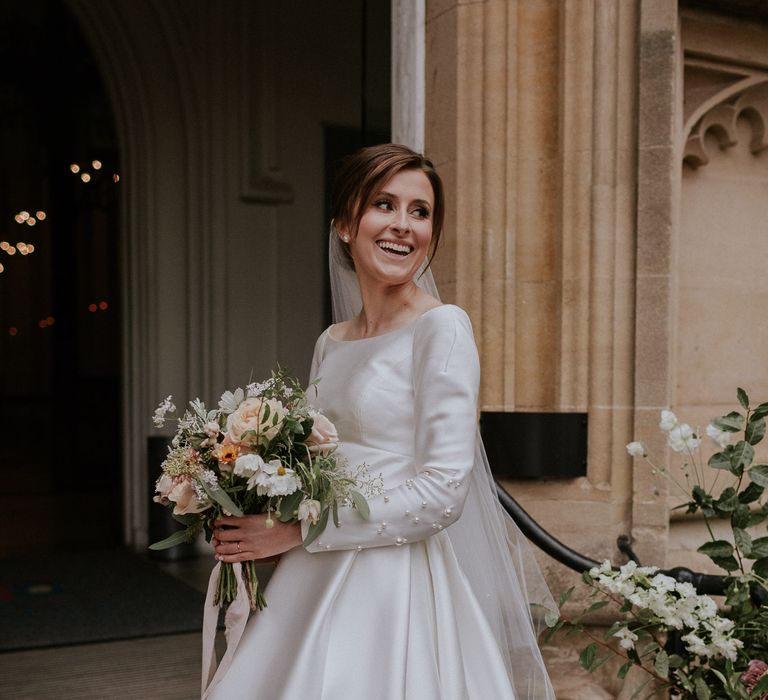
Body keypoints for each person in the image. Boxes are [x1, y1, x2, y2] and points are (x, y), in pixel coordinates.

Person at [203, 144, 556, 699]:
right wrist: (250, 491)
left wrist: (300, 531)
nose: (404, 225)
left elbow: (443, 491)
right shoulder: (332, 340)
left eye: (421, 212)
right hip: (313, 574)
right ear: (346, 223)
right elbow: (317, 459)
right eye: (384, 204)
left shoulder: (442, 328)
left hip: (397, 584)